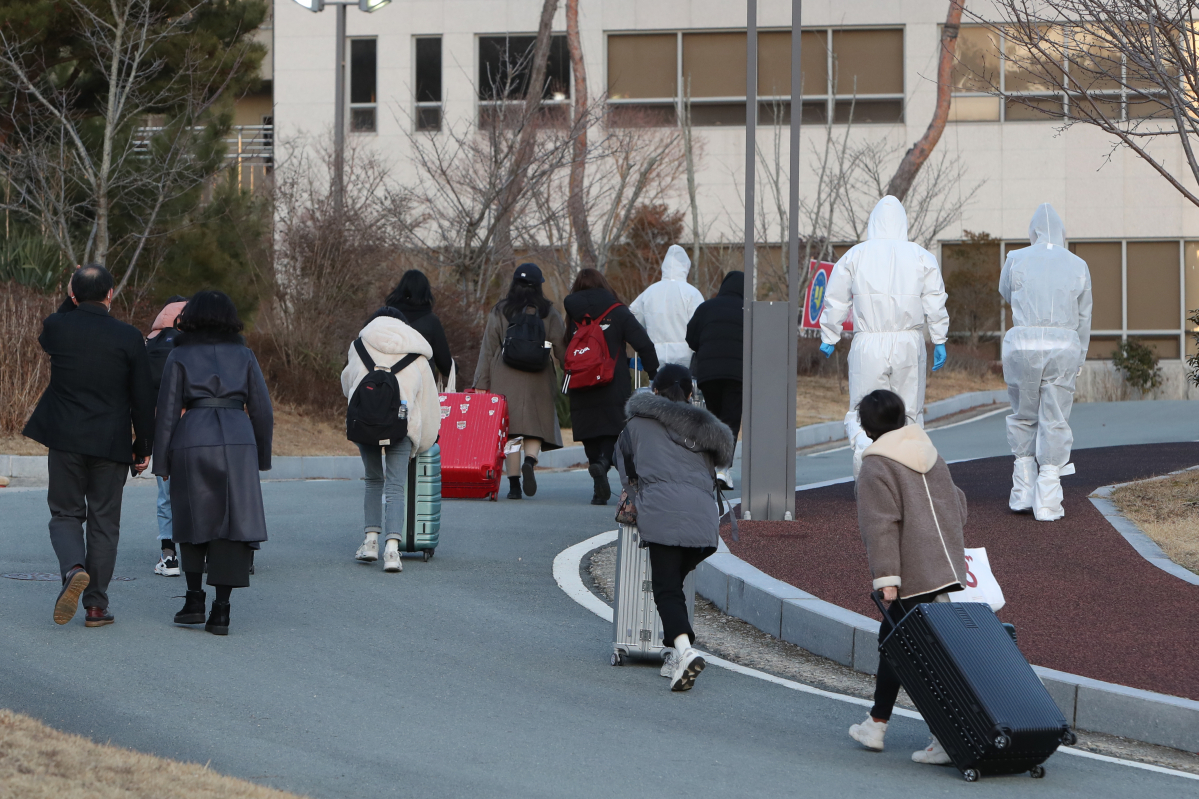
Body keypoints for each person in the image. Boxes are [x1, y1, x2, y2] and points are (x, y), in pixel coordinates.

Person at [23, 264, 156, 628]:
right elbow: (143, 396)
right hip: (111, 443)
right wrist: (143, 445)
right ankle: (96, 607)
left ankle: (73, 568)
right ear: (111, 295)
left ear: (73, 295)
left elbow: (52, 325)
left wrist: (72, 298)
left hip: (65, 439)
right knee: (104, 523)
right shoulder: (129, 337)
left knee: (65, 514)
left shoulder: (59, 327)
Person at [848, 389, 968, 765]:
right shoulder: (931, 455)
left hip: (911, 574)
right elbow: (959, 506)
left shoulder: (877, 465)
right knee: (900, 647)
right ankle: (877, 723)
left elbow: (880, 526)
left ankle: (942, 734)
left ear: (867, 430)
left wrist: (886, 578)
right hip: (946, 567)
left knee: (908, 653)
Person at [153, 290, 273, 636]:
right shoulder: (245, 355)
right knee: (232, 522)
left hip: (193, 435)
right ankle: (221, 610)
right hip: (238, 438)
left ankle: (193, 600)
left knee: (192, 515)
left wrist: (162, 459)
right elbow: (263, 411)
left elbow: (167, 412)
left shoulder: (180, 355)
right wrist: (260, 456)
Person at [615, 363, 735, 692]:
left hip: (662, 513)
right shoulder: (707, 430)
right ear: (690, 394)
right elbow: (716, 473)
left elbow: (625, 470)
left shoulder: (636, 423)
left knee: (666, 589)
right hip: (704, 522)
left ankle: (684, 651)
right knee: (674, 587)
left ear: (654, 391)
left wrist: (642, 500)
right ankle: (672, 653)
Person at [819, 196, 951, 479]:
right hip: (908, 342)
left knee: (863, 410)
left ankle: (866, 479)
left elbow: (836, 298)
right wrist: (940, 338)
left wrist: (830, 334)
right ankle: (909, 480)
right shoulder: (921, 255)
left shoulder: (856, 255)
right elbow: (935, 300)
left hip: (868, 342)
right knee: (909, 413)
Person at [1000, 203, 1092, 521]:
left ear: (1033, 231)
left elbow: (1007, 293)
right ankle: (1048, 499)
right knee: (1054, 417)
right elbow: (1084, 317)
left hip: (1022, 344)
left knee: (1023, 414)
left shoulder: (1015, 259)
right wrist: (1080, 355)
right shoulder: (1078, 264)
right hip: (1063, 347)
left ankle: (1022, 490)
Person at [341, 306, 441, 572]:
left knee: (373, 481)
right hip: (402, 425)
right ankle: (393, 552)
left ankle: (370, 542)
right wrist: (426, 438)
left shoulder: (359, 346)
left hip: (367, 424)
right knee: (396, 486)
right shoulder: (417, 354)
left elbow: (347, 382)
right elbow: (429, 401)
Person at [563, 268, 659, 505]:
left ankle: (598, 486)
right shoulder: (617, 311)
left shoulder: (572, 314)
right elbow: (643, 344)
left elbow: (567, 343)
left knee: (589, 429)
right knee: (614, 428)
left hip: (581, 380)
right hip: (612, 380)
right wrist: (654, 374)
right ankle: (603, 463)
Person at [473, 263, 566, 500]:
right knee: (534, 426)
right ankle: (530, 460)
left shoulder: (501, 310)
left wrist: (481, 383)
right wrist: (569, 369)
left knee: (511, 431)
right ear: (539, 286)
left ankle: (514, 485)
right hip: (539, 375)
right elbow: (561, 347)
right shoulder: (549, 312)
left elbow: (488, 348)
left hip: (505, 374)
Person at [685, 270, 744, 490]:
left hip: (708, 373)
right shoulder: (747, 310)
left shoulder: (706, 307)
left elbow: (691, 337)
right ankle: (722, 469)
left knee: (713, 418)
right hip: (736, 374)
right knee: (730, 421)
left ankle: (709, 467)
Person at [146, 295, 189, 577]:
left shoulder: (149, 343)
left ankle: (169, 555)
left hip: (161, 427)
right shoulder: (196, 342)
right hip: (197, 427)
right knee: (198, 491)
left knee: (166, 494)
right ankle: (204, 553)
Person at [629, 245, 704, 368]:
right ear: (686, 267)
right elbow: (701, 326)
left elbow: (632, 318)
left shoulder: (649, 292)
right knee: (684, 387)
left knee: (658, 386)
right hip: (686, 357)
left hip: (655, 356)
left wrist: (643, 342)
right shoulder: (692, 293)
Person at [385, 270, 454, 387]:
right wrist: (455, 369)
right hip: (419, 387)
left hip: (386, 384)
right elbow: (445, 364)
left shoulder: (384, 317)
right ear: (425, 292)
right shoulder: (431, 321)